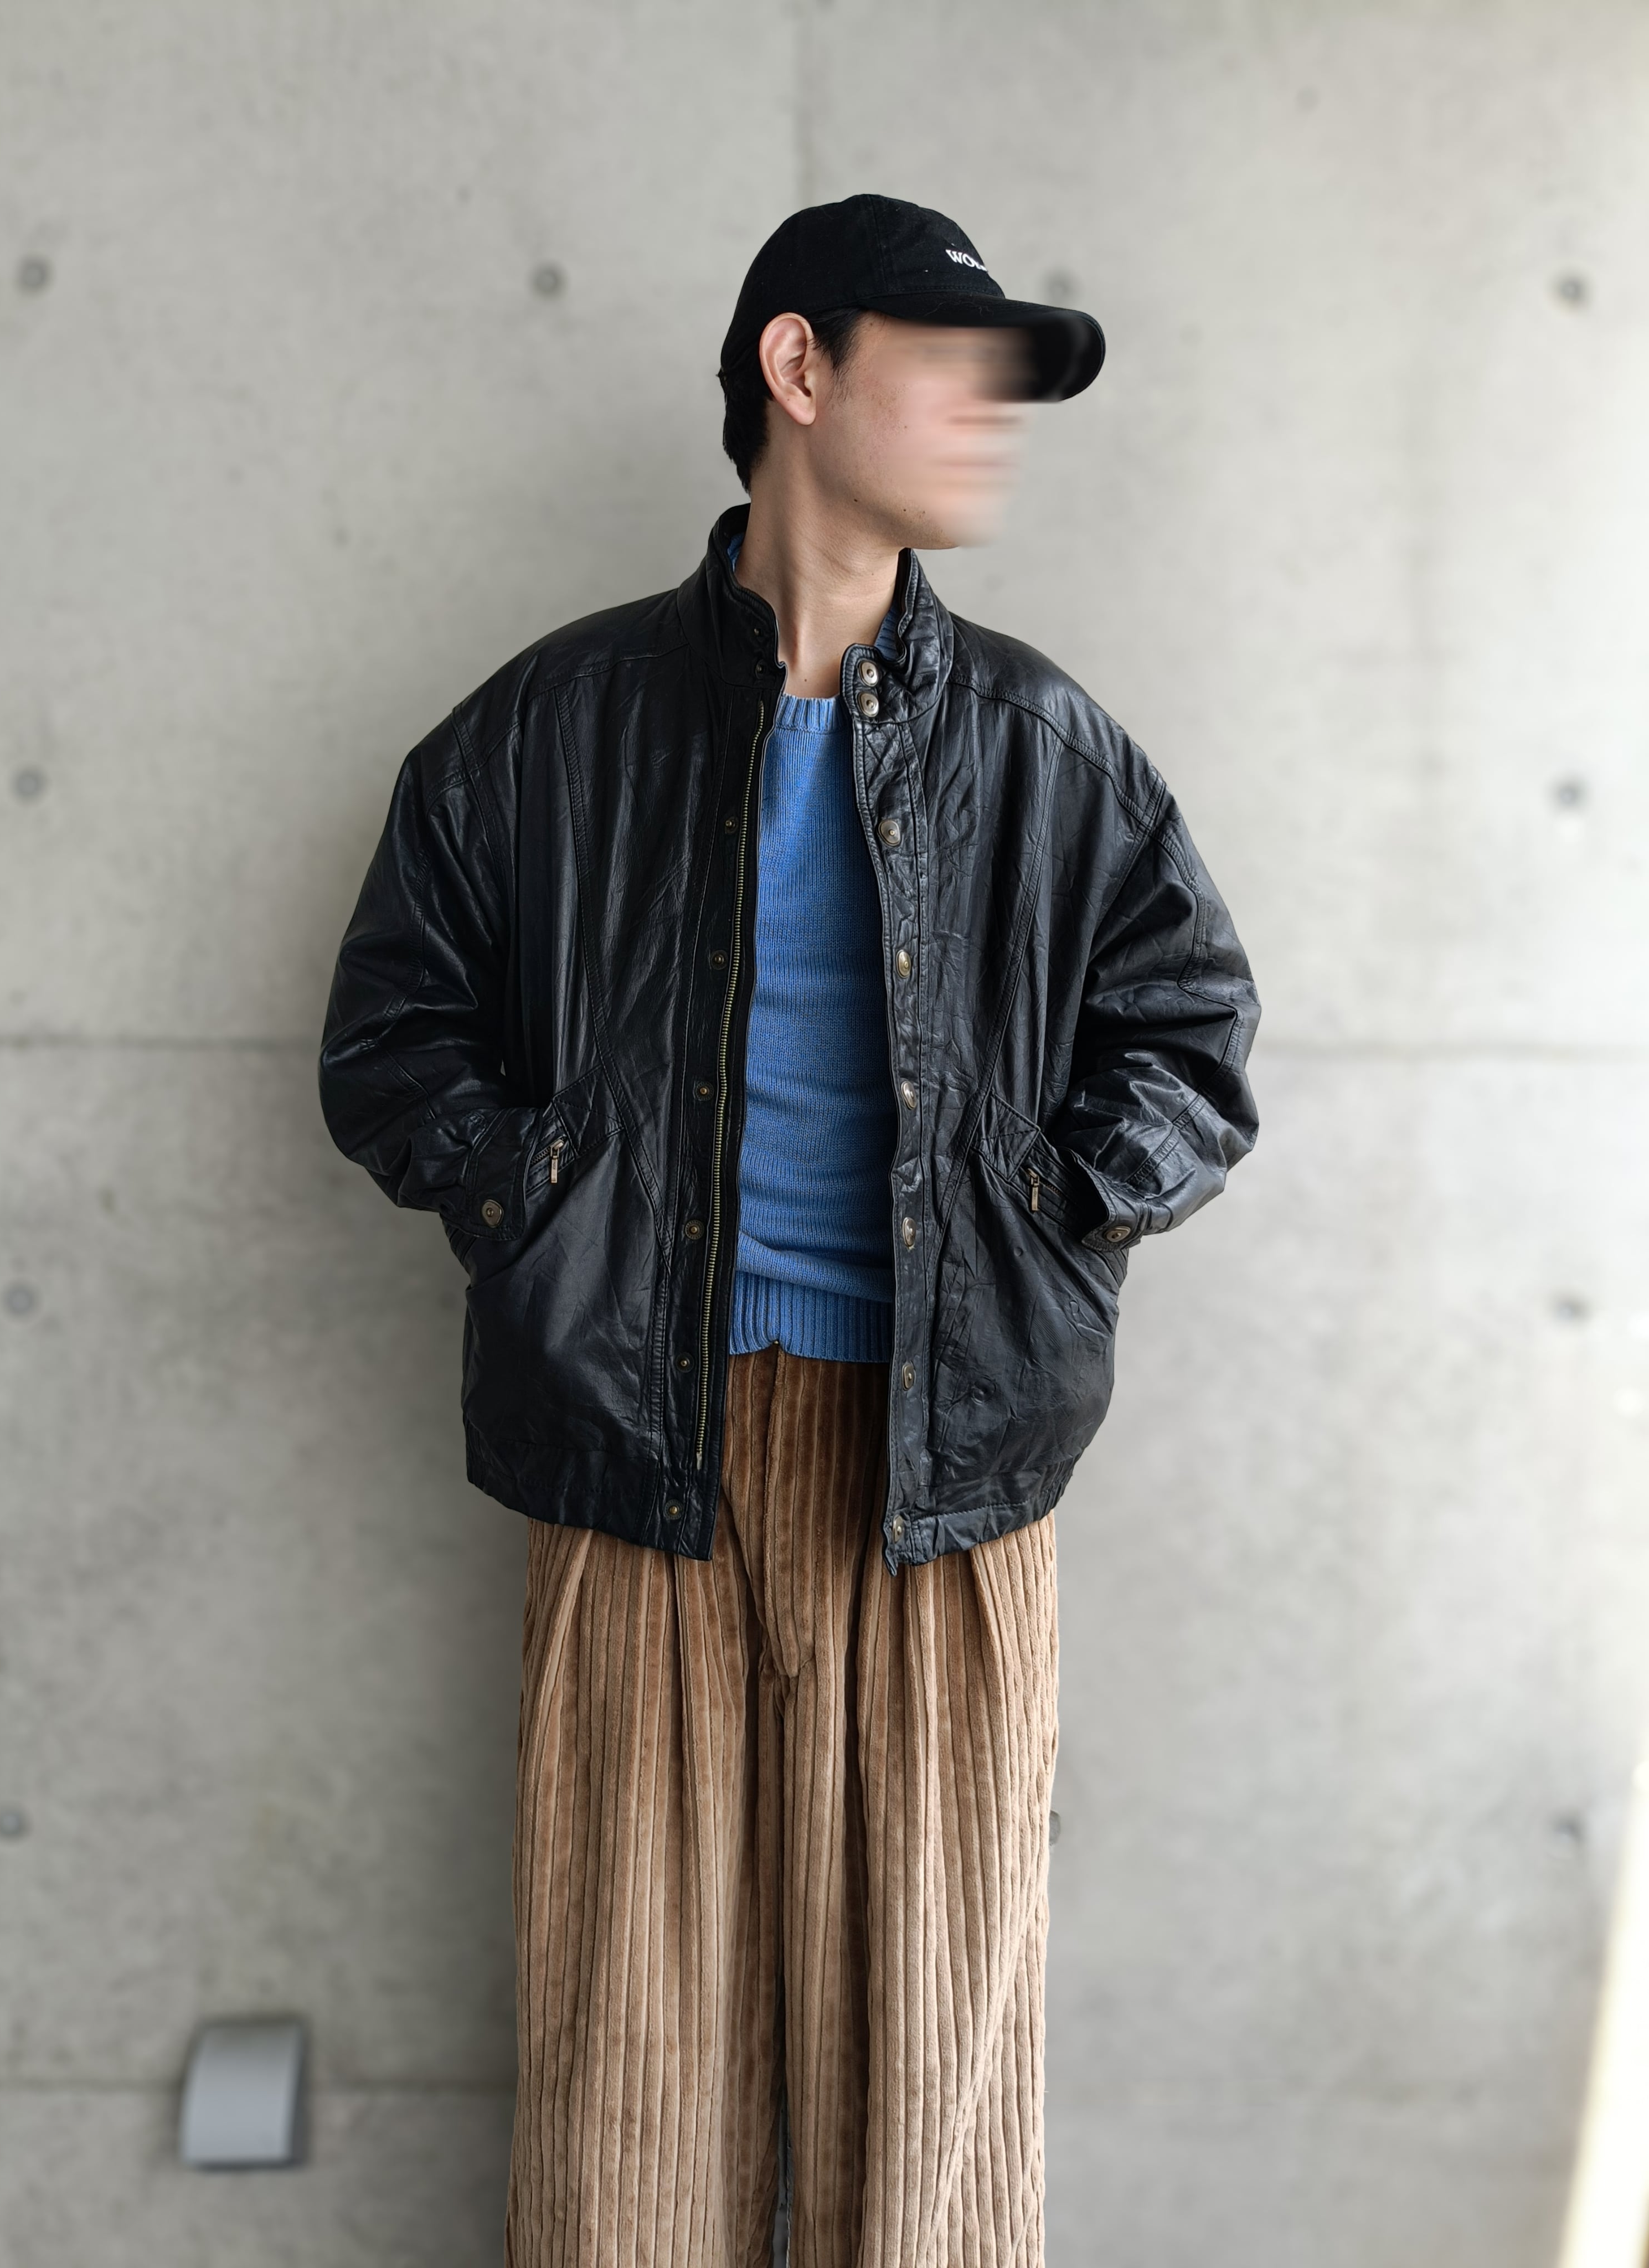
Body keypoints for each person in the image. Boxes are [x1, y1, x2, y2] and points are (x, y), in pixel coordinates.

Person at [320, 193, 1259, 2268]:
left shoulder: (1045, 749)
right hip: (637, 1452)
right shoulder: (554, 725)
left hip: (948, 1470)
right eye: (951, 368)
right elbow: (393, 1036)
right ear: (799, 369)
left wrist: (1039, 1220)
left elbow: (1192, 1043)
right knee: (627, 2089)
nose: (992, 417)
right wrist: (542, 1204)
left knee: (930, 2103)